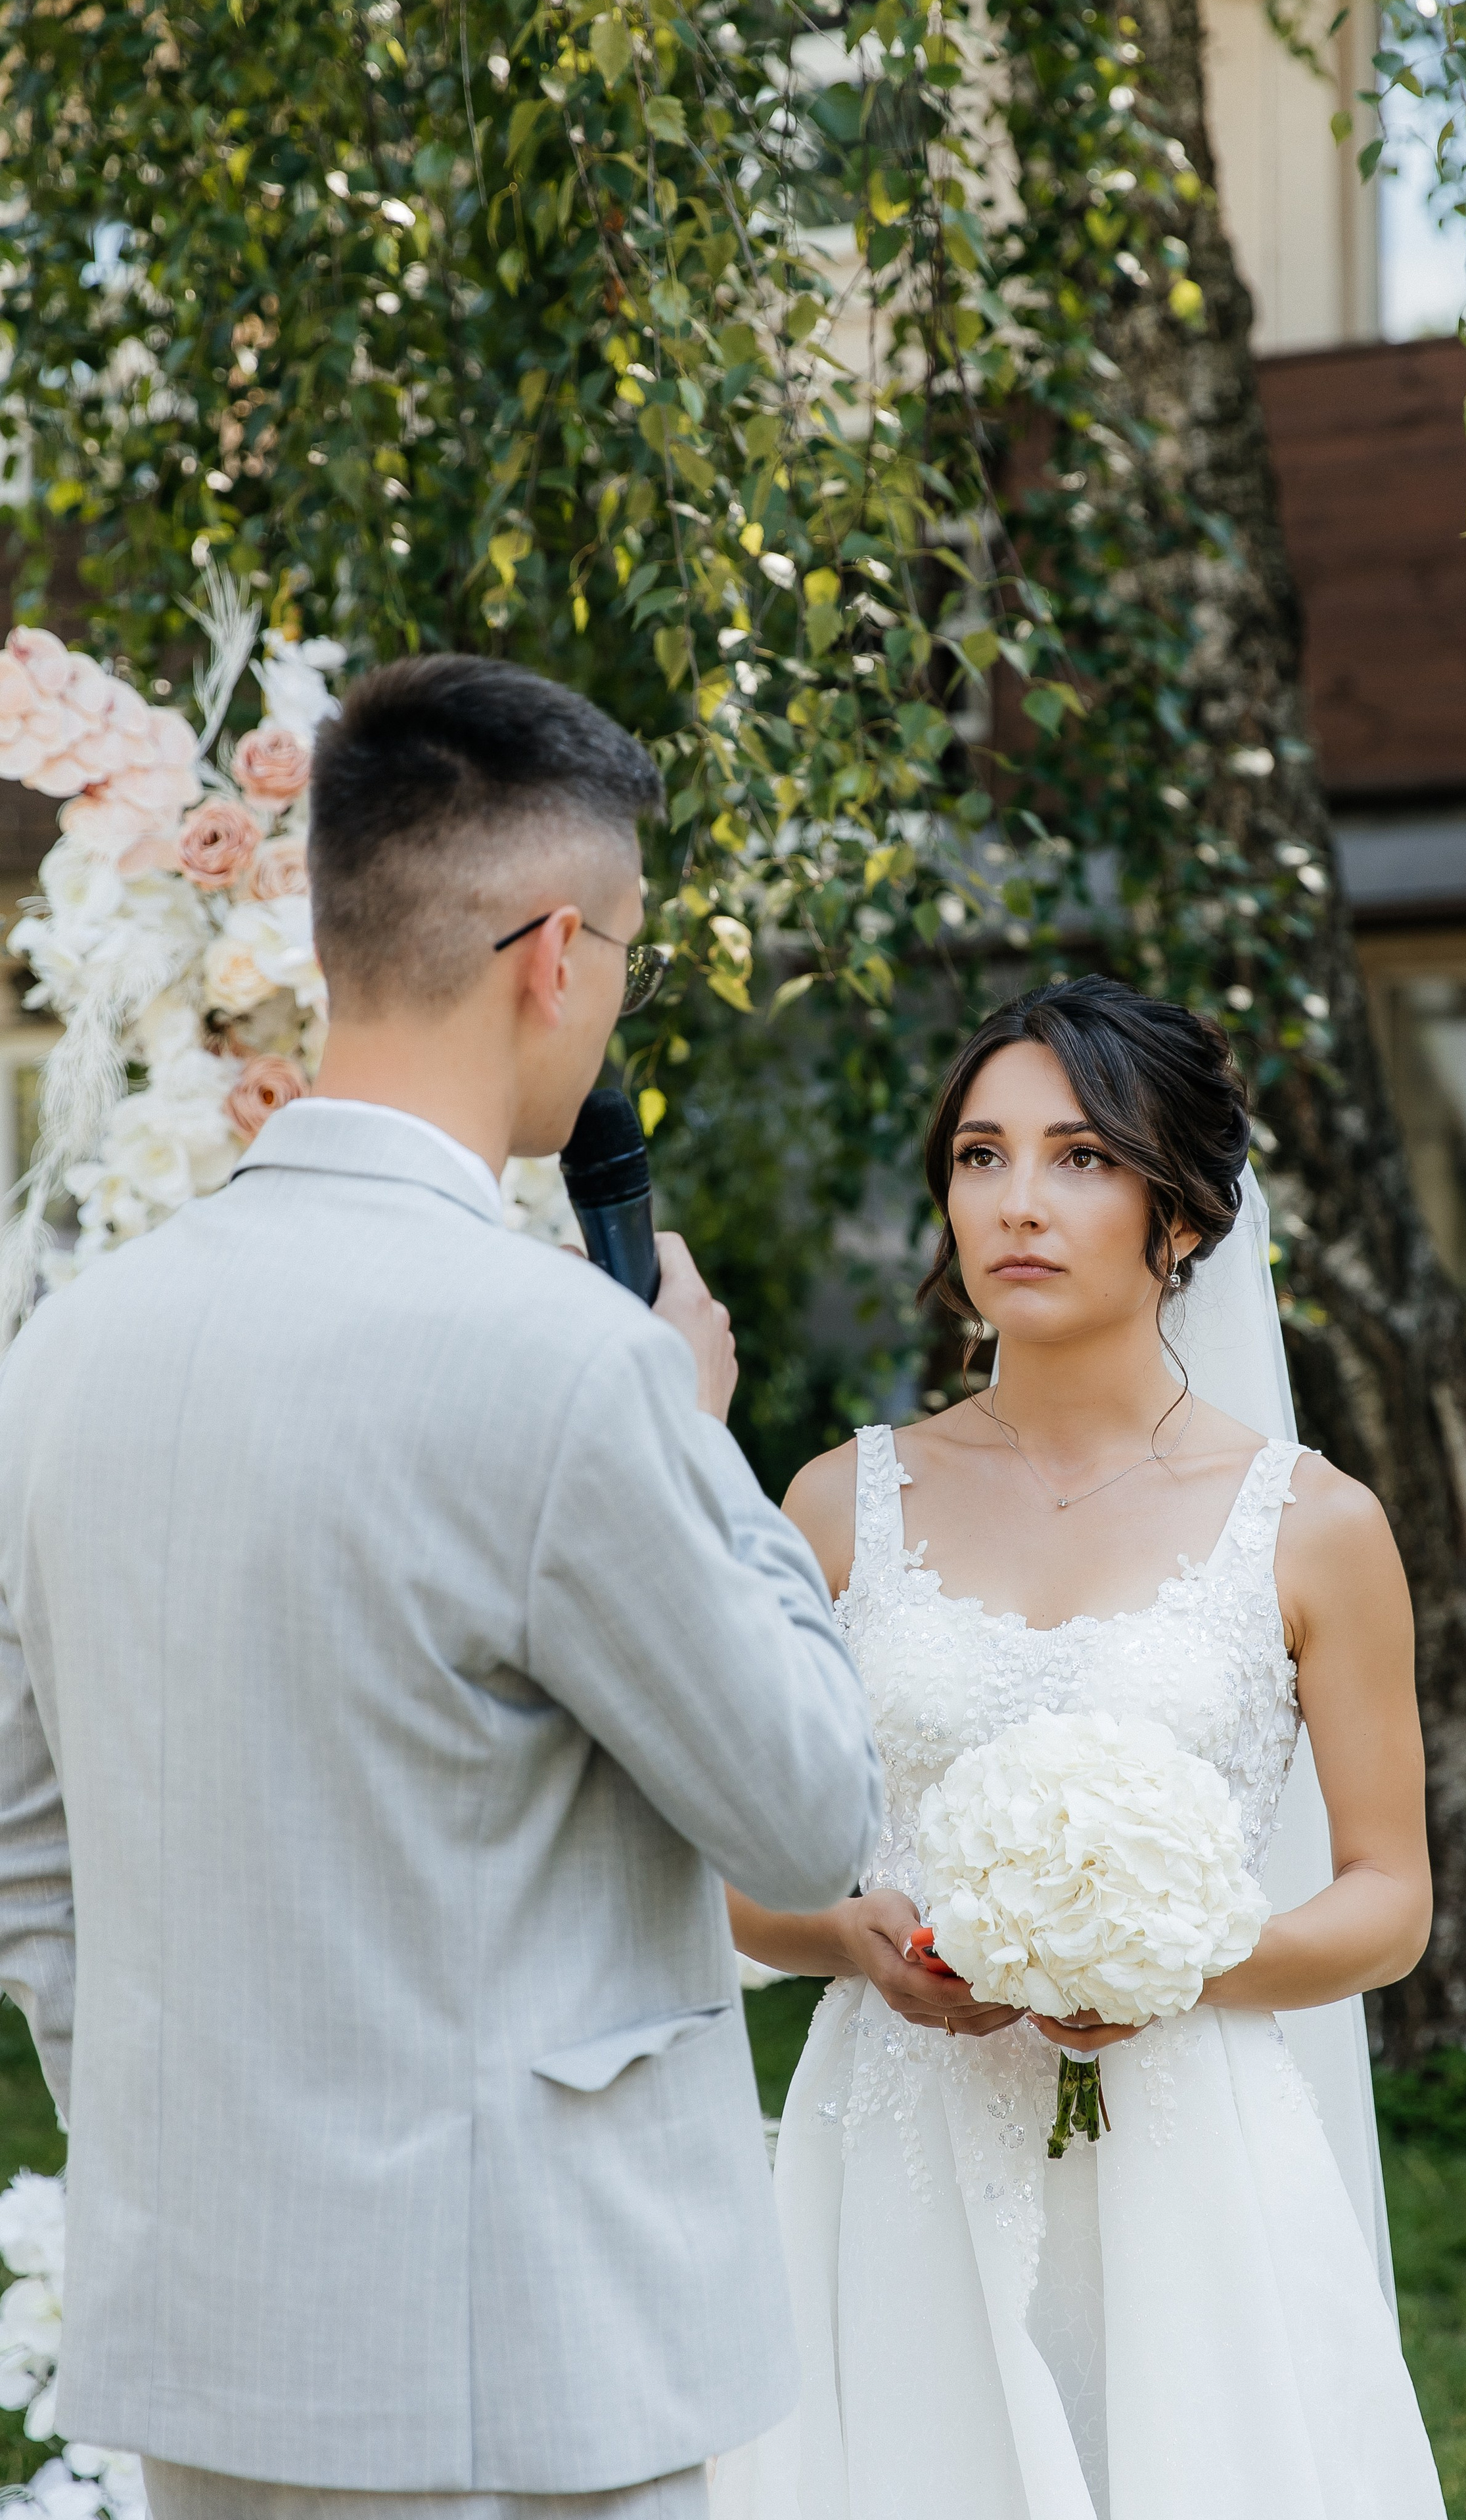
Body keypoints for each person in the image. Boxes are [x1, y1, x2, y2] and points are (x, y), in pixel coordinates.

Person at [0, 655, 883, 2520]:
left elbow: (24, 1845)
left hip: (214, 2332)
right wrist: (710, 1451)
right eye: (627, 953)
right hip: (529, 2352)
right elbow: (805, 1818)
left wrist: (181, 2141)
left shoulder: (63, 1355)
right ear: (555, 953)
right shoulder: (572, 1364)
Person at [720, 975, 1446, 2520]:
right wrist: (850, 1945)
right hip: (897, 2154)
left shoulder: (1312, 1527)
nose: (1016, 1204)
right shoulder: (837, 1508)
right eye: (979, 1157)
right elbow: (726, 1886)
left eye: (1080, 1158)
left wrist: (1166, 1966)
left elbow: (1389, 1902)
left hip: (1190, 2160)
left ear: (1178, 1219)